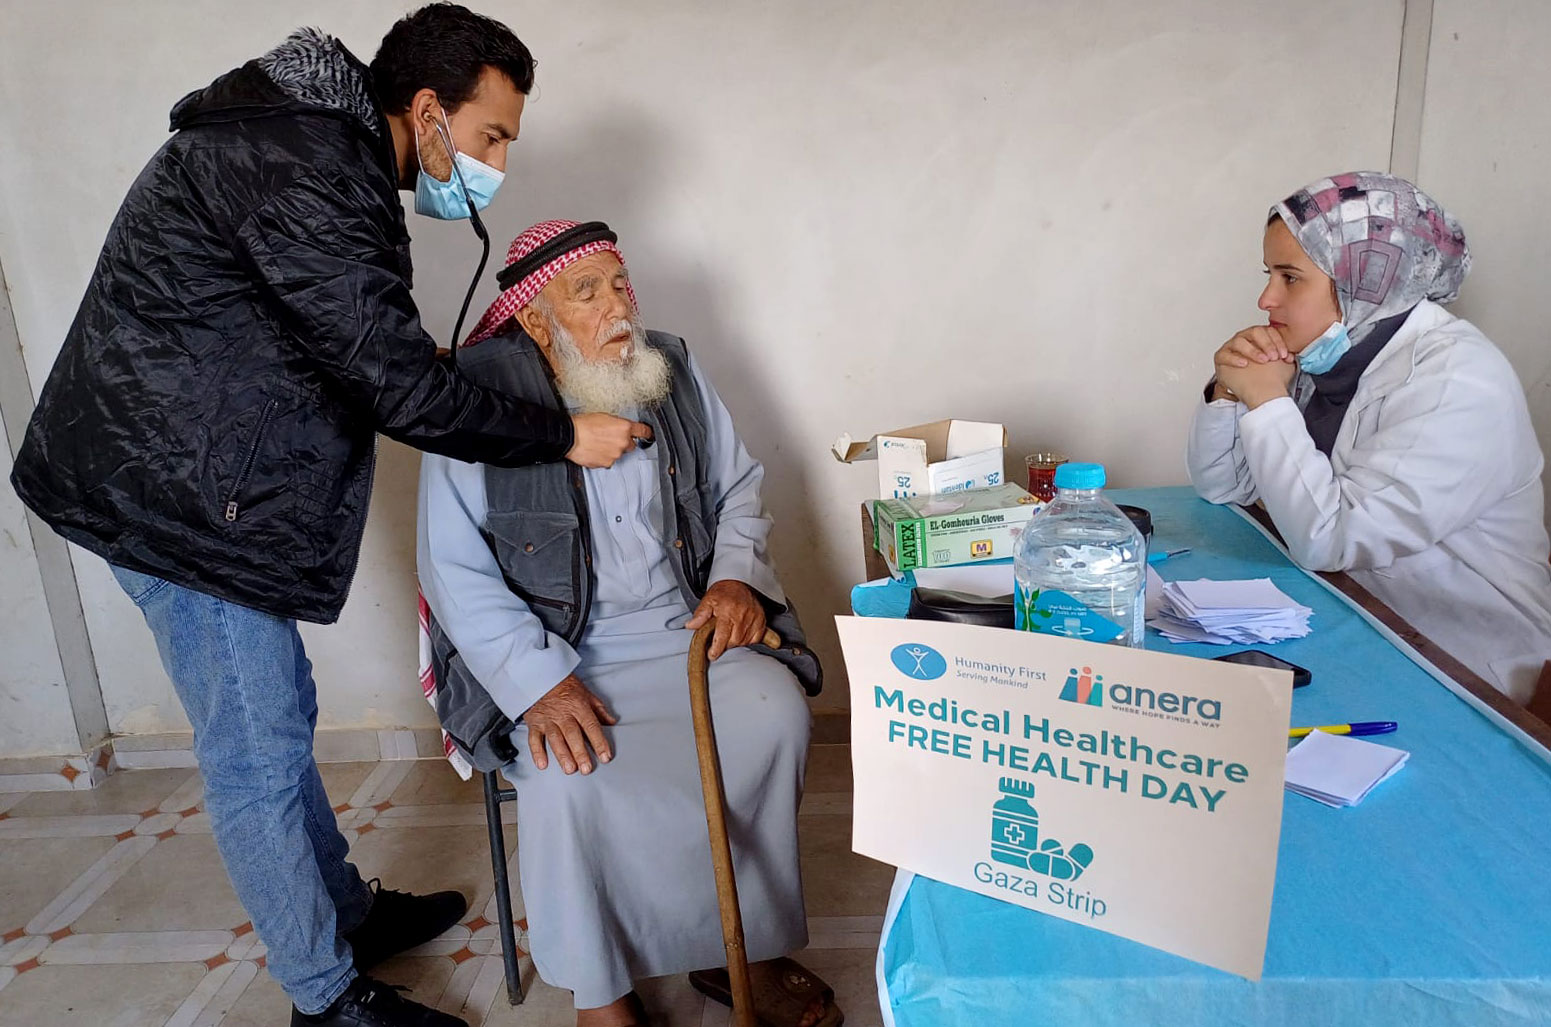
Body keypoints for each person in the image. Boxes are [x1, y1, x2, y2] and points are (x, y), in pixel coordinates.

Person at [9, 8, 650, 1027]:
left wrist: (408, 361)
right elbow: (395, 391)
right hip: (172, 497)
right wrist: (560, 436)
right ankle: (325, 996)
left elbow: (329, 329)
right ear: (428, 112)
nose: (491, 167)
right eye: (490, 138)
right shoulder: (307, 164)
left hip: (178, 464)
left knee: (277, 710)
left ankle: (342, 910)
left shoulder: (314, 144)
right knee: (255, 749)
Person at [417, 219, 842, 1027]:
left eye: (620, 282)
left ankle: (735, 943)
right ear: (534, 320)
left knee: (773, 715)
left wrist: (733, 581)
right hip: (554, 651)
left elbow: (738, 488)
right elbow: (451, 569)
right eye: (589, 289)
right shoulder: (476, 401)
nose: (618, 304)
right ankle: (602, 991)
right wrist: (535, 684)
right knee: (576, 774)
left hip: (686, 628)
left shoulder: (667, 367)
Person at [1187, 171, 1551, 704]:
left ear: (1367, 279)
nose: (1266, 299)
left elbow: (1332, 538)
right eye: (1269, 274)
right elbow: (1222, 487)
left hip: (1464, 663)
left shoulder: (1458, 381)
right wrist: (1227, 391)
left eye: (1290, 278)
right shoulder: (1340, 347)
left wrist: (1267, 400)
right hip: (1361, 614)